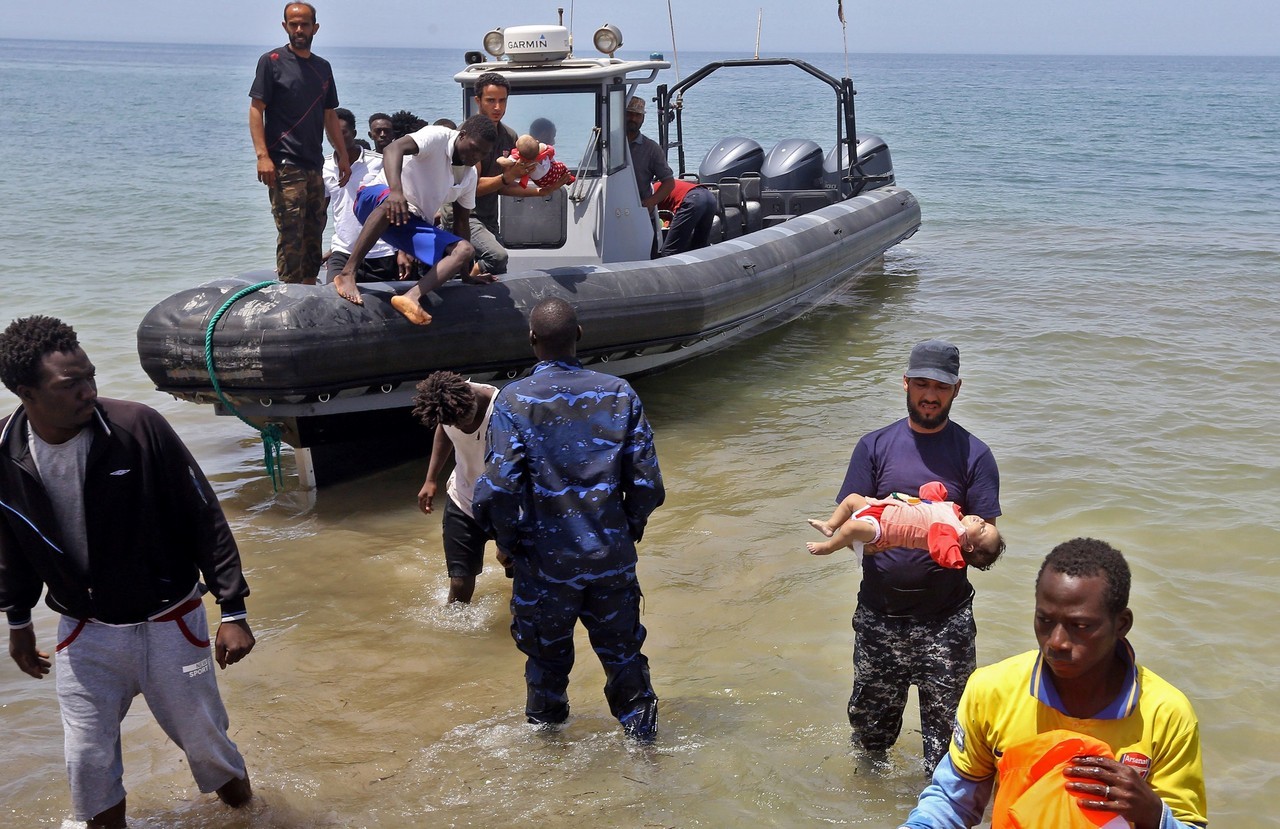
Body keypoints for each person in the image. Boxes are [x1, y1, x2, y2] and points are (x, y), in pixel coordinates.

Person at [0, 317, 255, 828]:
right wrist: (19, 622)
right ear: (26, 392)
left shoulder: (138, 427)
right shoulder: (5, 453)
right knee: (87, 766)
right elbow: (12, 542)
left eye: (90, 376)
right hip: (85, 634)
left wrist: (233, 608)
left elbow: (203, 515)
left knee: (211, 753)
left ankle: (255, 818)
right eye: (70, 385)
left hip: (171, 624)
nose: (88, 391)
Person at [899, 538, 1208, 829]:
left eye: (1081, 626)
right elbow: (954, 801)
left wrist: (1153, 814)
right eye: (1044, 620)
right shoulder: (991, 690)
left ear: (1121, 624)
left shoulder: (1165, 714)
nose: (1056, 642)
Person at [472, 298, 665, 741]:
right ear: (579, 335)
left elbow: (498, 488)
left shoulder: (515, 401)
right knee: (623, 656)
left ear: (532, 340)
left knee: (545, 662)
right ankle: (645, 749)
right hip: (609, 559)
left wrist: (507, 542)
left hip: (543, 565)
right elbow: (647, 484)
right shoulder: (619, 393)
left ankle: (549, 759)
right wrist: (625, 530)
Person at [837, 338, 1001, 768]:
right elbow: (850, 523)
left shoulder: (976, 455)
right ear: (905, 384)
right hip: (879, 617)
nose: (930, 395)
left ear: (957, 390)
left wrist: (974, 537)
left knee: (951, 752)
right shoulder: (873, 447)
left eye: (941, 387)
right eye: (922, 384)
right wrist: (883, 535)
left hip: (947, 623)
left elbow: (988, 551)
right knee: (869, 742)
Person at [332, 114, 496, 325]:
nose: (476, 156)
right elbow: (393, 149)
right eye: (474, 148)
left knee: (464, 250)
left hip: (409, 220)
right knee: (388, 204)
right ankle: (347, 273)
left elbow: (461, 222)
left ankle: (411, 297)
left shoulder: (470, 176)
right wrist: (396, 191)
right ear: (462, 135)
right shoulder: (437, 136)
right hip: (374, 198)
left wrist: (466, 275)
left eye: (483, 153)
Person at [249, 2, 350, 284]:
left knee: (314, 230)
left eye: (304, 24)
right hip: (283, 163)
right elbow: (257, 109)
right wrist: (262, 156)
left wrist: (342, 155)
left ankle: (308, 287)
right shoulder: (271, 61)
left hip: (314, 163)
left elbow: (330, 114)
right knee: (290, 232)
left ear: (315, 27)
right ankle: (288, 289)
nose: (299, 29)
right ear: (285, 27)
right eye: (293, 24)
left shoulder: (322, 68)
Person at [411, 371, 512, 604]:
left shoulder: (502, 408)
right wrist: (431, 479)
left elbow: (517, 473)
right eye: (452, 422)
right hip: (463, 499)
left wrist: (507, 538)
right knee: (459, 584)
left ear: (471, 399)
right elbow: (444, 432)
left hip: (505, 502)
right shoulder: (449, 407)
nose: (459, 425)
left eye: (462, 419)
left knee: (520, 578)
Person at [806, 481, 1004, 570]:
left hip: (883, 529)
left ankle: (828, 547)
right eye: (985, 523)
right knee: (851, 499)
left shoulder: (951, 534)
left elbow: (941, 548)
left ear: (968, 546)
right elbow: (930, 502)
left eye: (984, 529)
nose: (982, 521)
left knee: (850, 528)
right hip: (884, 509)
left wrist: (954, 556)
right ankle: (829, 526)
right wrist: (935, 492)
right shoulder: (953, 513)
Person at [322, 108, 401, 283]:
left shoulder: (379, 163)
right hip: (343, 251)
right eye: (332, 134)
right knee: (332, 297)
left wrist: (404, 250)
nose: (338, 139)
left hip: (381, 251)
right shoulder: (324, 167)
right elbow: (320, 213)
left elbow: (400, 204)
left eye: (343, 133)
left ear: (354, 133)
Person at [468, 72, 527, 278]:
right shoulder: (468, 136)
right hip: (464, 216)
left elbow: (502, 186)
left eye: (502, 101)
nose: (497, 107)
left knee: (499, 268)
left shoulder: (508, 136)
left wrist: (541, 191)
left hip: (489, 217)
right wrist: (506, 178)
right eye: (491, 100)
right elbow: (472, 188)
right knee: (496, 257)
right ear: (478, 100)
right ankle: (467, 283)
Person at [624, 97, 676, 257]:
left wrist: (650, 202)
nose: (633, 118)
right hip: (613, 212)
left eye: (637, 115)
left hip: (640, 214)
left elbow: (669, 183)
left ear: (643, 119)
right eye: (630, 114)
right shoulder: (607, 143)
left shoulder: (651, 149)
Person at [656, 178, 717, 256]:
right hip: (709, 196)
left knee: (670, 250)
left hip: (693, 199)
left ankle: (669, 267)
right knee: (699, 247)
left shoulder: (648, 193)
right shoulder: (661, 184)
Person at [498, 133, 574, 192]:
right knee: (562, 166)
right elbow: (546, 147)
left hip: (540, 182)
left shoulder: (519, 156)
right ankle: (569, 178)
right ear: (537, 142)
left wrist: (500, 158)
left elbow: (505, 162)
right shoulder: (541, 149)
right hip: (553, 172)